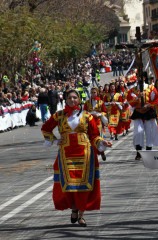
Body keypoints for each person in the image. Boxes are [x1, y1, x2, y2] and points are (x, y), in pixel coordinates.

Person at [41, 89, 112, 227]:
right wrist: (55, 141)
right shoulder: (59, 115)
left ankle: (81, 215)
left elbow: (94, 135)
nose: (72, 100)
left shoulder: (87, 116)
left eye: (75, 97)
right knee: (70, 185)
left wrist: (102, 142)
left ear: (79, 100)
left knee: (84, 185)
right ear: (66, 99)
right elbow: (45, 128)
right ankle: (74, 208)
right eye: (70, 97)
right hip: (66, 153)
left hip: (85, 154)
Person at [127, 77, 158, 160]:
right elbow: (130, 102)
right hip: (138, 112)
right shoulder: (132, 90)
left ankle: (148, 152)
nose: (140, 80)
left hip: (148, 112)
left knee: (149, 132)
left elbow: (157, 99)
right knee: (138, 132)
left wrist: (149, 105)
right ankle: (139, 152)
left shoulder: (151, 88)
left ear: (144, 78)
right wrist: (137, 97)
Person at [84, 87, 108, 160]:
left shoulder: (101, 102)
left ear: (97, 93)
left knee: (99, 138)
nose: (93, 94)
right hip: (89, 123)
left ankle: (102, 152)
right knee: (90, 138)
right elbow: (84, 112)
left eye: (94, 92)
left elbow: (105, 112)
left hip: (98, 123)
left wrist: (99, 114)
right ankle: (92, 153)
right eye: (92, 92)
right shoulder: (87, 102)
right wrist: (89, 114)